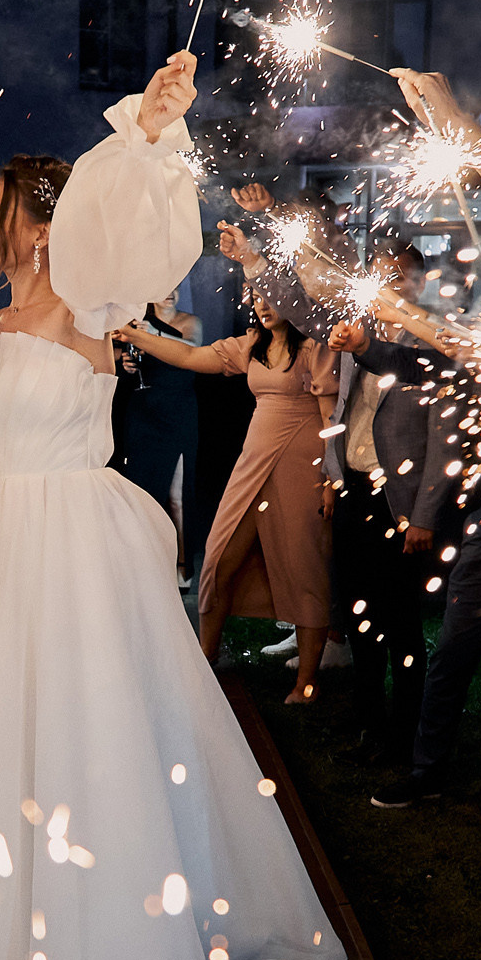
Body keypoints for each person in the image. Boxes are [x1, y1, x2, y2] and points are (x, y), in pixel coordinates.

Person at [0, 54, 345, 960]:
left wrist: (146, 132)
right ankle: (1, 930)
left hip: (70, 549)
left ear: (40, 227)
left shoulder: (90, 303)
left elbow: (131, 218)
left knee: (84, 736)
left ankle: (106, 947)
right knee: (3, 735)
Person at [124, 284, 339, 704]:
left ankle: (305, 685)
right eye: (256, 296)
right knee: (218, 556)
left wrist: (331, 477)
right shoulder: (253, 345)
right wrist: (136, 336)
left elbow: (331, 414)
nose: (262, 303)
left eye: (271, 295)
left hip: (302, 464)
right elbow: (190, 357)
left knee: (303, 564)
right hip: (253, 461)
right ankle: (205, 657)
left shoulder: (314, 347)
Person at [322, 243, 455, 760]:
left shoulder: (435, 343)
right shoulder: (357, 333)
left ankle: (404, 730)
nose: (386, 290)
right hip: (353, 490)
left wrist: (423, 516)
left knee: (400, 620)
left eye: (397, 279)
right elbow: (344, 411)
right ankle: (368, 720)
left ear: (418, 284)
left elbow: (445, 442)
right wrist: (333, 476)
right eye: (378, 279)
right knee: (358, 611)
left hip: (398, 502)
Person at [109, 287, 203, 570]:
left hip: (177, 413)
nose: (169, 292)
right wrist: (123, 361)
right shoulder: (137, 322)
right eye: (162, 287)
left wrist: (152, 334)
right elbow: (114, 348)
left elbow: (194, 349)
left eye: (175, 286)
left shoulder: (189, 322)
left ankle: (183, 564)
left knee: (177, 494)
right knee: (140, 490)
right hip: (143, 414)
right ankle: (144, 564)